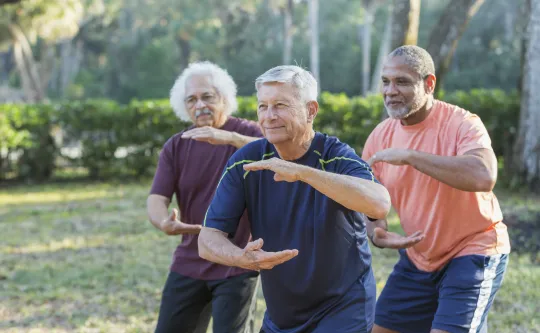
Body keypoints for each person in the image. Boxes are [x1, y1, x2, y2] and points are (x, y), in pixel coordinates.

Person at [197, 65, 400, 333]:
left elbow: (380, 203)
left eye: (280, 105)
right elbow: (207, 240)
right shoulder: (247, 161)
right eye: (263, 106)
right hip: (282, 315)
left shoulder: (336, 155)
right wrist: (241, 258)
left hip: (343, 308)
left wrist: (301, 173)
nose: (269, 116)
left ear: (311, 111)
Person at [362, 45, 511, 333]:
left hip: (474, 249)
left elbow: (484, 175)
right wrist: (377, 232)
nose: (390, 91)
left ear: (429, 84)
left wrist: (411, 156)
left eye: (402, 81)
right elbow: (370, 199)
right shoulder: (379, 137)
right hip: (419, 257)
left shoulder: (463, 123)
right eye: (386, 81)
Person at [147, 61, 263, 333]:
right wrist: (163, 221)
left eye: (207, 96)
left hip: (237, 260)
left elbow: (273, 151)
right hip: (190, 259)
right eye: (191, 99)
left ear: (224, 98)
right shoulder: (177, 145)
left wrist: (228, 138)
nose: (199, 105)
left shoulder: (248, 133)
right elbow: (157, 197)